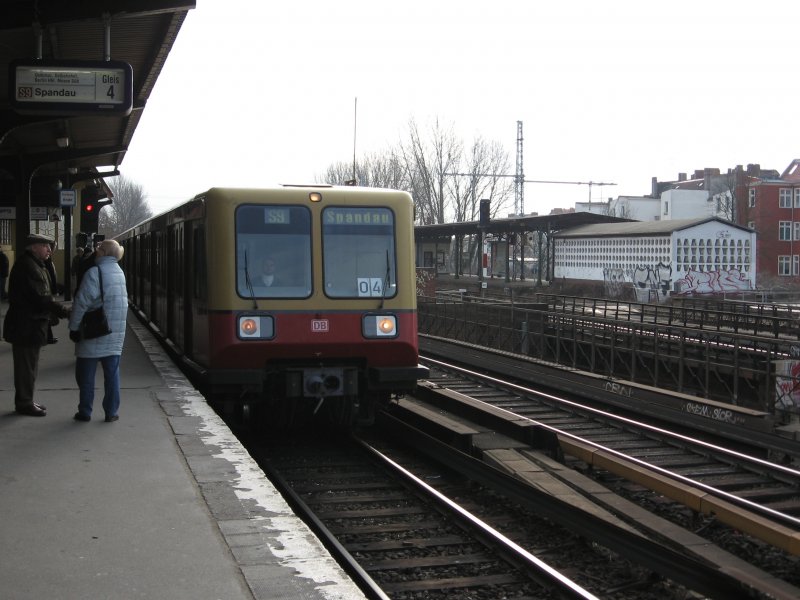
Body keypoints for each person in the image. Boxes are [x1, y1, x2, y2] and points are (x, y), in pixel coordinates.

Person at [2, 233, 70, 417]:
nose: (49, 250)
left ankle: (27, 399)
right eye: (45, 246)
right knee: (26, 367)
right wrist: (65, 312)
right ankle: (24, 403)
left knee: (29, 365)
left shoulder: (33, 264)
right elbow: (42, 298)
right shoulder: (29, 267)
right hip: (26, 324)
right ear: (34, 247)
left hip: (29, 324)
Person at [68, 239, 128, 422]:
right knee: (112, 375)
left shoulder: (94, 273)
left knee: (85, 376)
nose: (96, 252)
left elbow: (81, 303)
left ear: (102, 253)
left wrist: (74, 327)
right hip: (114, 332)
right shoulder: (120, 273)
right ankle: (111, 412)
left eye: (98, 249)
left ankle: (85, 411)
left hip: (93, 332)